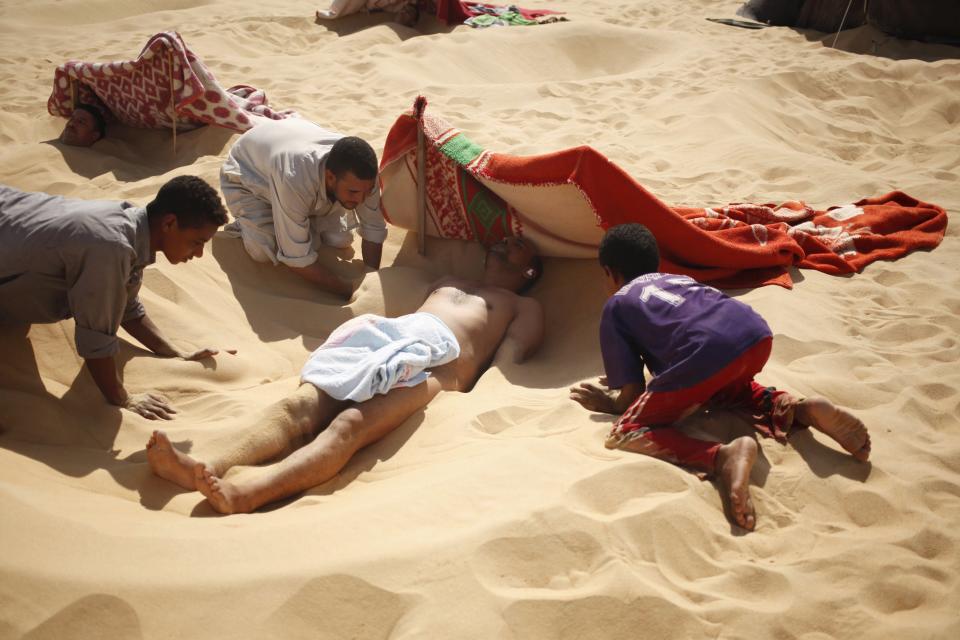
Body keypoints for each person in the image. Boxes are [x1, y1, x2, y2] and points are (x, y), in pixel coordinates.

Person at [146, 236, 544, 514]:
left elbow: (506, 364)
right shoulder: (448, 281)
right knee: (298, 406)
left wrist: (466, 394)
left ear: (529, 272)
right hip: (391, 342)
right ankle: (207, 466)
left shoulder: (522, 306)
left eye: (518, 246)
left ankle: (249, 492)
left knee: (349, 424)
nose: (505, 244)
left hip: (437, 368)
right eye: (504, 240)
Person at [570, 223, 871, 531]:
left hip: (705, 353)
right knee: (723, 390)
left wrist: (610, 404)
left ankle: (721, 457)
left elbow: (632, 395)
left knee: (627, 431)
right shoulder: (678, 279)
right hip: (754, 335)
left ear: (609, 273)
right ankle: (797, 408)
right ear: (655, 264)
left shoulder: (618, 303)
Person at [0, 176, 234, 419]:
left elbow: (126, 306)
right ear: (169, 223)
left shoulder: (131, 225)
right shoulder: (112, 246)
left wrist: (174, 353)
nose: (198, 253)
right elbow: (95, 340)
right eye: (197, 242)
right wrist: (123, 398)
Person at [220, 118, 388, 299]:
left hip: (290, 143)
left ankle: (292, 219)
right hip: (249, 176)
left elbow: (373, 227)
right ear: (331, 177)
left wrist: (371, 278)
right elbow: (296, 259)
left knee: (340, 239)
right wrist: (349, 291)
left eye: (367, 192)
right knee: (263, 250)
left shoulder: (364, 177)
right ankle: (247, 224)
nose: (362, 199)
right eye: (353, 192)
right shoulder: (294, 176)